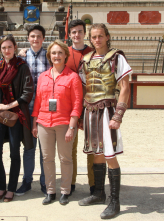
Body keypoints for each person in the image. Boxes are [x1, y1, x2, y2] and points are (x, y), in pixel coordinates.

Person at [78, 23, 132, 220]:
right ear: (90, 39)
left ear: (107, 37)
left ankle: (114, 201)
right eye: (93, 37)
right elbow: (85, 89)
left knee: (109, 154)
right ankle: (98, 193)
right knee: (96, 153)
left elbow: (125, 87)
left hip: (108, 109)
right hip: (90, 110)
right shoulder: (85, 60)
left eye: (100, 36)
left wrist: (118, 115)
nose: (97, 40)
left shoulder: (117, 57)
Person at [31, 39, 83, 205]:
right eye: (53, 53)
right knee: (47, 158)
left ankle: (65, 191)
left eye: (60, 52)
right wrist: (35, 123)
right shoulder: (42, 77)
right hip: (44, 122)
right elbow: (38, 101)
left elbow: (77, 104)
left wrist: (72, 127)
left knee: (65, 158)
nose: (57, 56)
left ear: (65, 55)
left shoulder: (73, 77)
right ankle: (50, 191)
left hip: (64, 123)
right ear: (49, 56)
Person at [0, 35, 34, 202]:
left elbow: (27, 93)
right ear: (1, 49)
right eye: (4, 48)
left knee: (14, 152)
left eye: (9, 47)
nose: (7, 50)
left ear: (15, 47)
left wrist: (7, 106)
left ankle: (11, 188)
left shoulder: (22, 66)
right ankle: (2, 186)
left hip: (15, 115)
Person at [15, 25, 49, 196]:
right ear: (28, 38)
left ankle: (44, 182)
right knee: (29, 148)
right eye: (32, 36)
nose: (35, 39)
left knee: (45, 149)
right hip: (26, 110)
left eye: (39, 36)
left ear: (43, 38)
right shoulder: (21, 58)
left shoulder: (50, 57)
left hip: (45, 110)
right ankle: (27, 181)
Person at [66, 19, 95, 196]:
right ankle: (71, 182)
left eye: (80, 31)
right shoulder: (64, 52)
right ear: (70, 35)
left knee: (92, 146)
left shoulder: (93, 52)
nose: (77, 35)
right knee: (71, 147)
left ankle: (94, 184)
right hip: (71, 105)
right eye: (74, 32)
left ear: (85, 33)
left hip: (92, 104)